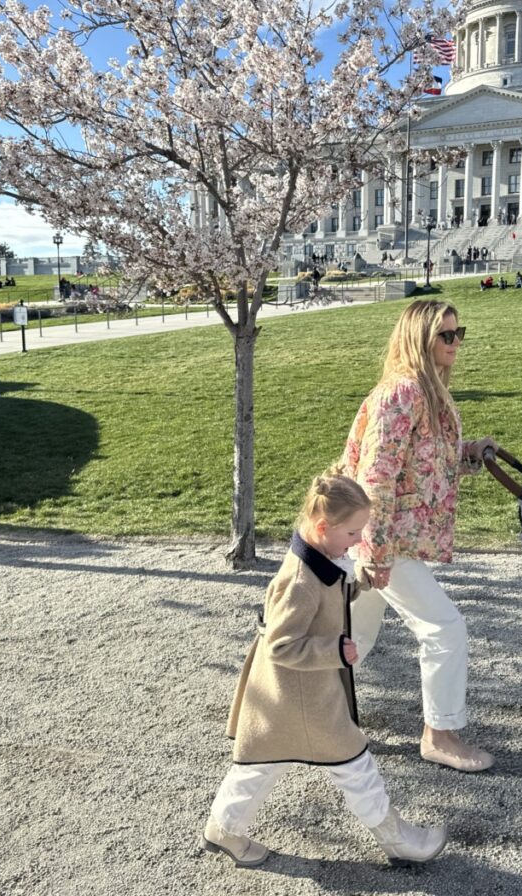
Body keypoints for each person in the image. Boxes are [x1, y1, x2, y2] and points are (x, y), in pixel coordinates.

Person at [202, 471, 448, 868]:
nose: (357, 541)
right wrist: (332, 649)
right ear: (322, 526)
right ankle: (396, 839)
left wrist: (360, 582)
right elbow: (282, 643)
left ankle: (224, 828)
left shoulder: (318, 559)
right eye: (353, 534)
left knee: (262, 763)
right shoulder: (300, 580)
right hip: (300, 697)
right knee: (353, 761)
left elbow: (329, 597)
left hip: (291, 697)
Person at [340, 300, 496, 773]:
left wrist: (472, 453)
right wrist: (372, 550)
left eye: (458, 332)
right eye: (445, 335)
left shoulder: (427, 393)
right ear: (418, 341)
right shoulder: (403, 393)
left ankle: (308, 714)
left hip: (383, 538)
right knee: (444, 629)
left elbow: (426, 464)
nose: (456, 343)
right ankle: (440, 735)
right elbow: (377, 478)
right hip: (382, 539)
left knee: (353, 636)